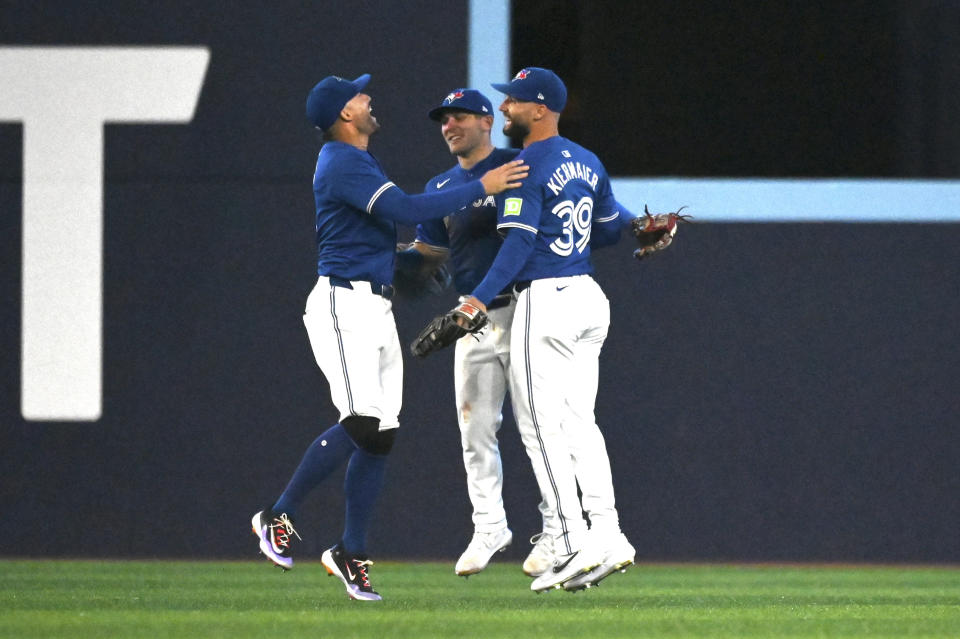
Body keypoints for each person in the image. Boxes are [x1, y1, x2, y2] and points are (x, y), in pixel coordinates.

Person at [250, 73, 527, 602]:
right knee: (359, 422)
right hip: (342, 302)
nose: (368, 97)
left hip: (373, 302)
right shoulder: (342, 159)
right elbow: (402, 210)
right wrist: (483, 188)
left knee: (381, 433)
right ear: (344, 115)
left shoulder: (358, 159)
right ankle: (277, 514)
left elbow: (378, 232)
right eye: (359, 95)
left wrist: (404, 264)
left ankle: (350, 550)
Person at [462, 67, 636, 593]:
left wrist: (477, 297)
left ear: (539, 109)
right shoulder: (586, 160)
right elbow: (608, 226)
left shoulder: (524, 164)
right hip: (588, 297)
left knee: (540, 426)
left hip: (548, 299)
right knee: (580, 422)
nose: (506, 109)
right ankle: (609, 535)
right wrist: (644, 228)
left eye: (513, 101)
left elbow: (516, 246)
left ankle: (571, 540)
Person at [397, 88, 556, 577]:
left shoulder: (519, 163)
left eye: (460, 116)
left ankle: (557, 531)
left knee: (540, 427)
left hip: (525, 309)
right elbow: (431, 255)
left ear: (487, 120)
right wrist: (388, 259)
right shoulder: (442, 184)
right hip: (471, 319)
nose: (450, 126)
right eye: (444, 119)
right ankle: (490, 526)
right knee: (474, 428)